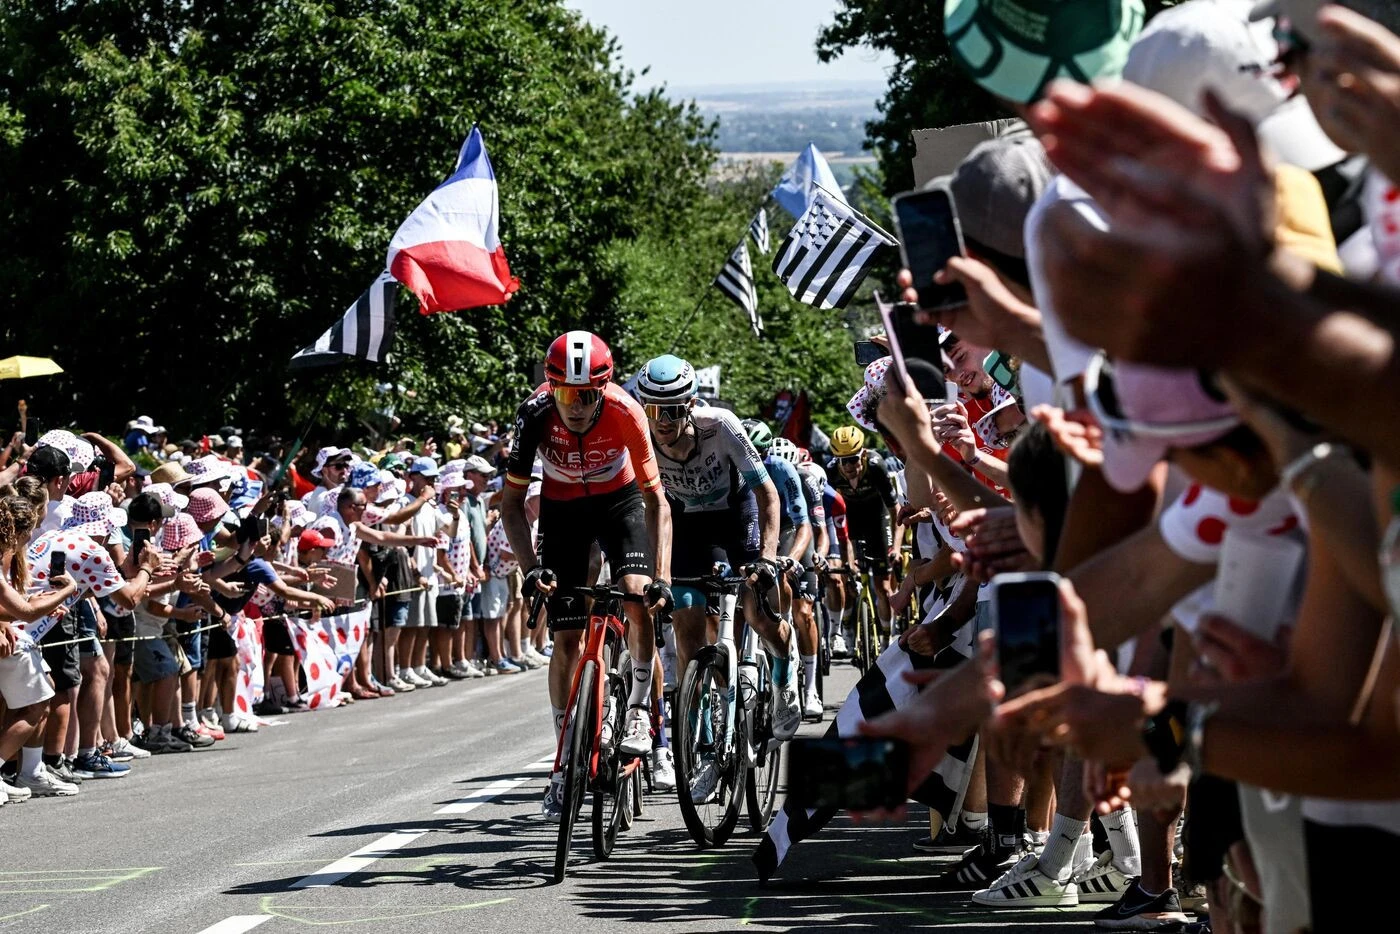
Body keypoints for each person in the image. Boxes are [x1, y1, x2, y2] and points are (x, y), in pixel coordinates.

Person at [501, 331, 672, 822]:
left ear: (604, 389)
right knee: (566, 638)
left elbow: (657, 502)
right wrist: (531, 569)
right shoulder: (534, 414)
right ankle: (564, 762)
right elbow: (511, 504)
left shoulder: (626, 411)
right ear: (550, 387)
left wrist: (661, 576)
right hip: (563, 511)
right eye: (564, 393)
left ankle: (638, 712)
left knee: (637, 596)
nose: (574, 406)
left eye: (586, 395)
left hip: (620, 504)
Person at [635, 355, 792, 795]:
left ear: (689, 405)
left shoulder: (720, 425)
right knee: (687, 630)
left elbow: (767, 493)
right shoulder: (641, 434)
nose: (661, 421)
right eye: (652, 409)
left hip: (734, 515)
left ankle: (784, 675)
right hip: (687, 523)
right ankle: (704, 743)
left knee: (757, 613)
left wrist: (768, 557)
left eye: (671, 410)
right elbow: (641, 506)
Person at [825, 425, 901, 636]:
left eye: (853, 459)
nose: (849, 466)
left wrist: (896, 547)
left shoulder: (876, 465)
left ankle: (887, 638)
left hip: (878, 518)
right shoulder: (831, 471)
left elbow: (896, 511)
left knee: (883, 587)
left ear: (863, 454)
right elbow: (828, 514)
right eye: (843, 461)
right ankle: (847, 631)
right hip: (850, 520)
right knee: (847, 577)